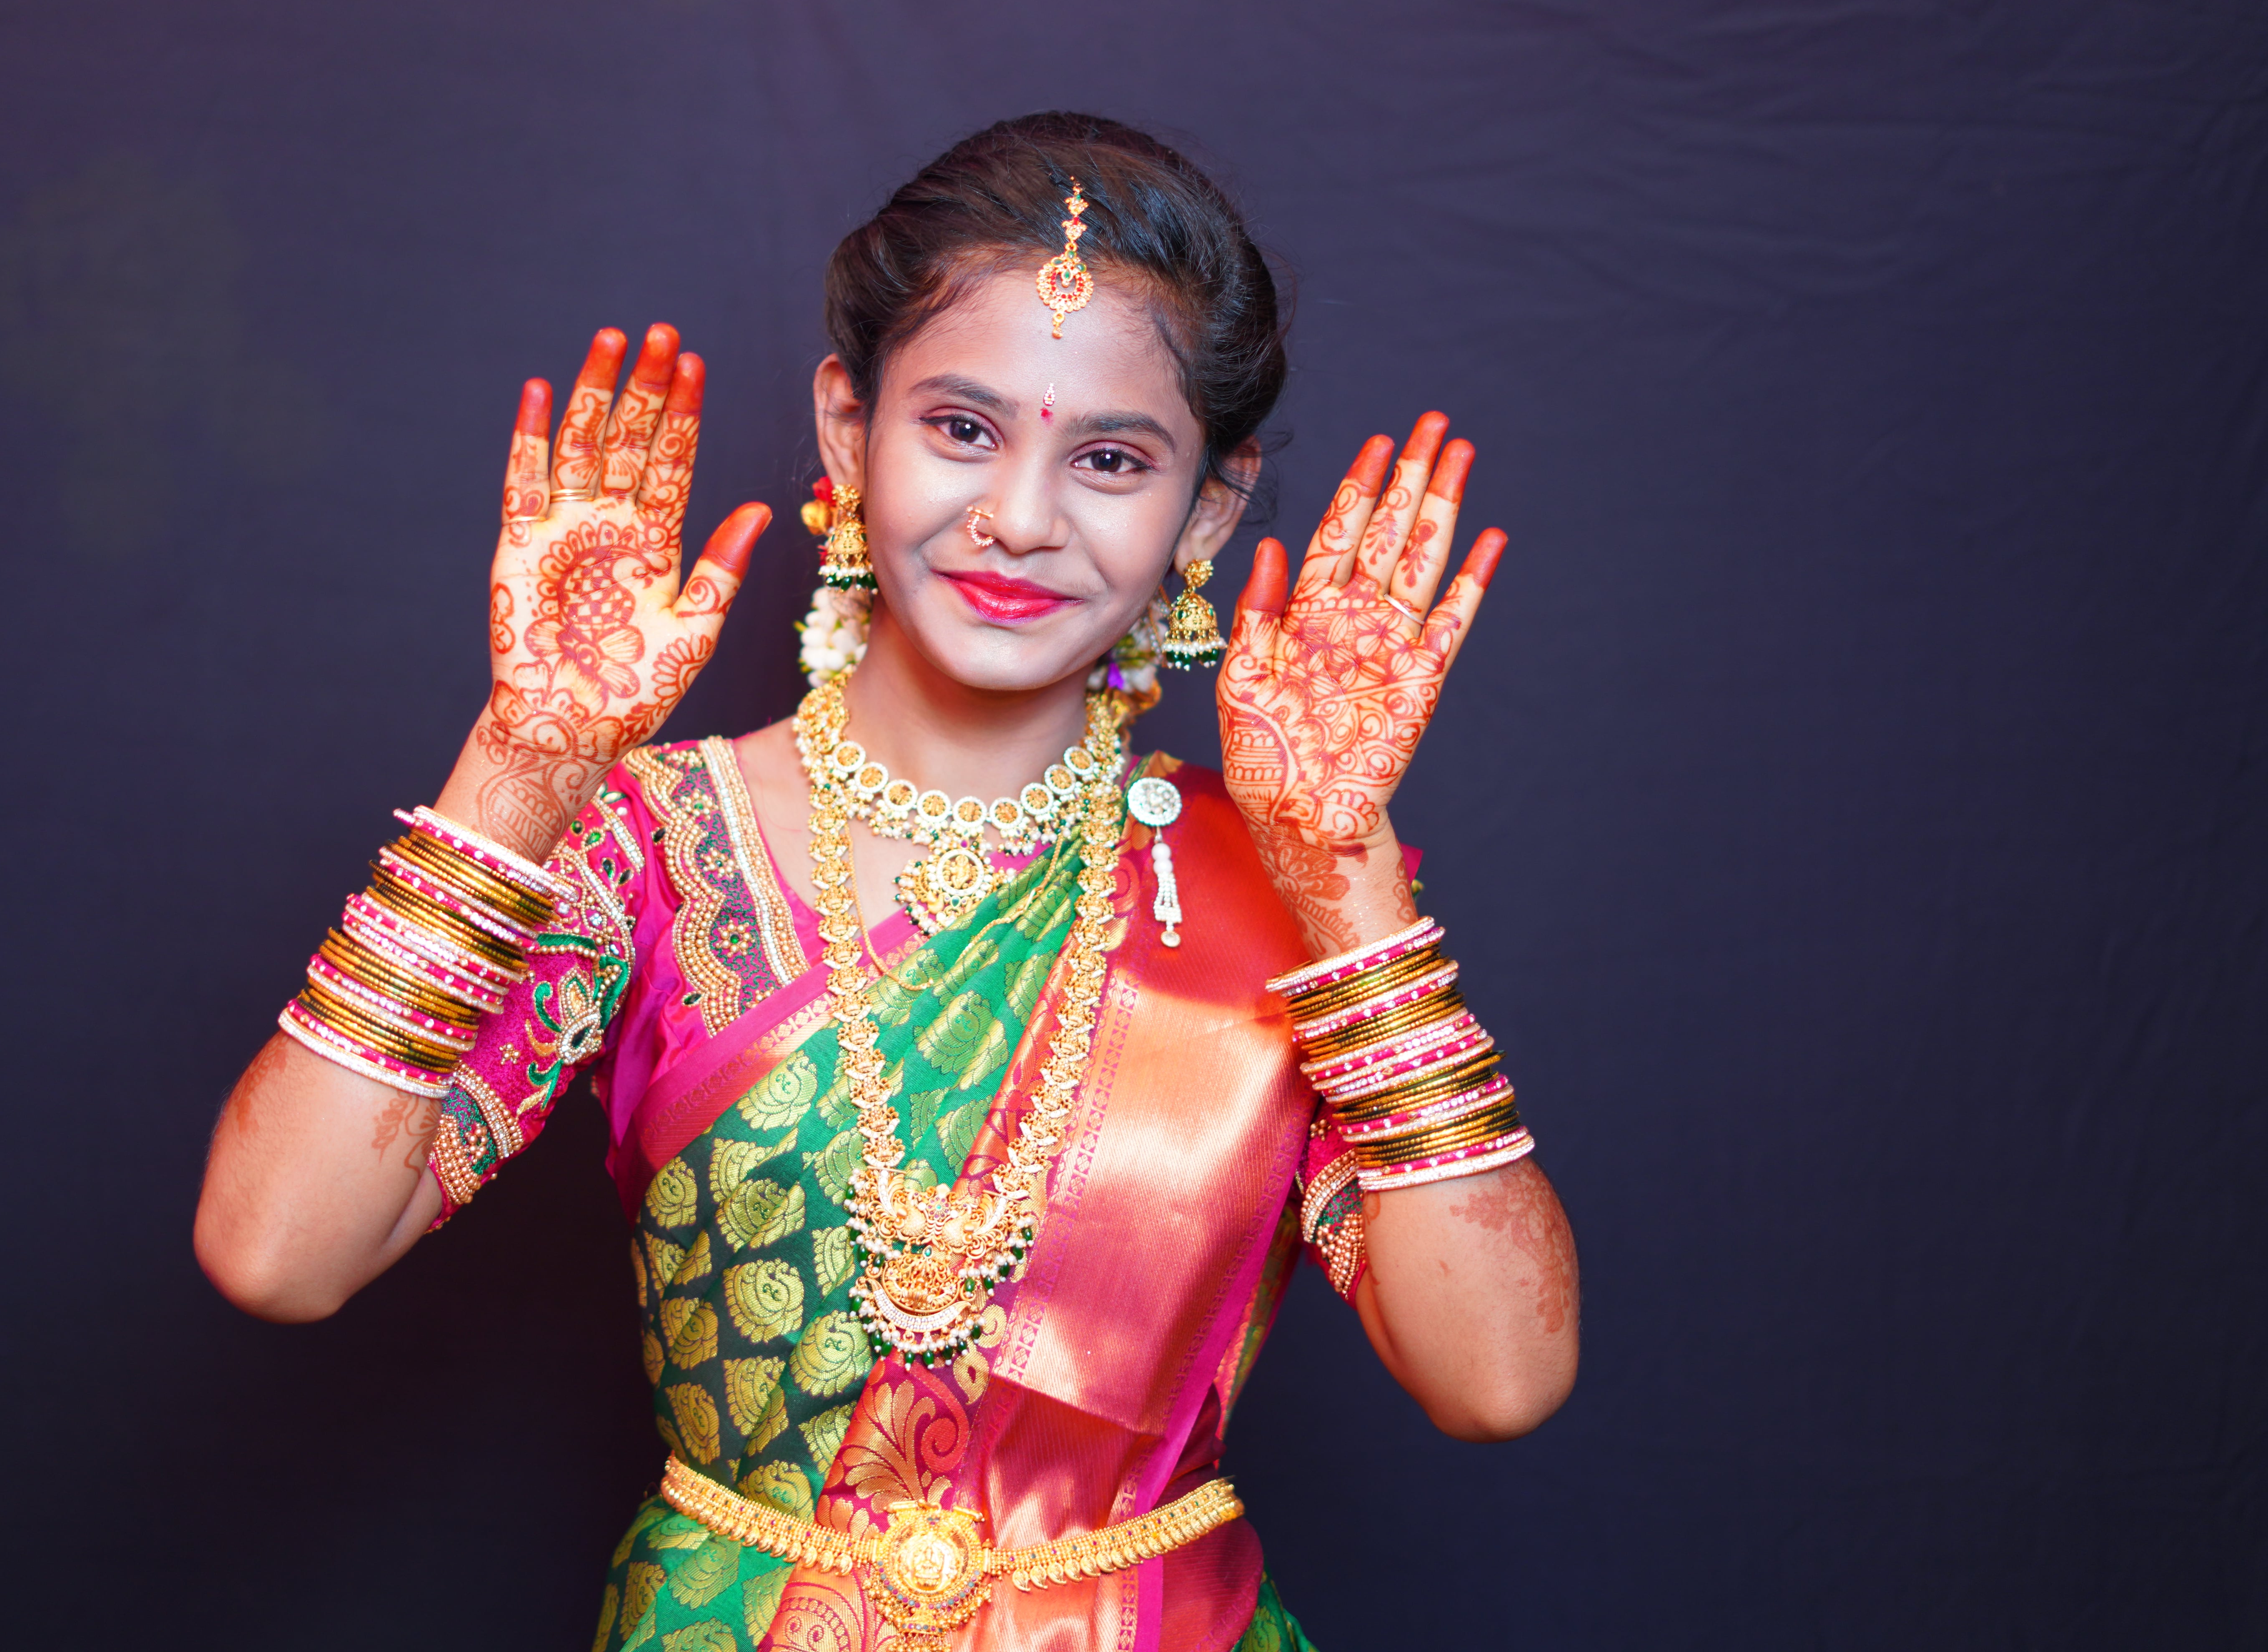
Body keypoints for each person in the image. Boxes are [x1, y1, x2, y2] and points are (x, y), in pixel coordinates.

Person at [193, 111, 1579, 1652]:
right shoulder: (651, 848)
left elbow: (1498, 1380)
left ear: (1212, 509)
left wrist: (1343, 882)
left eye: (1111, 459)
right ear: (851, 431)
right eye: (963, 429)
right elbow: (278, 1254)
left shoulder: (1267, 893)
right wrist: (524, 763)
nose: (1022, 519)